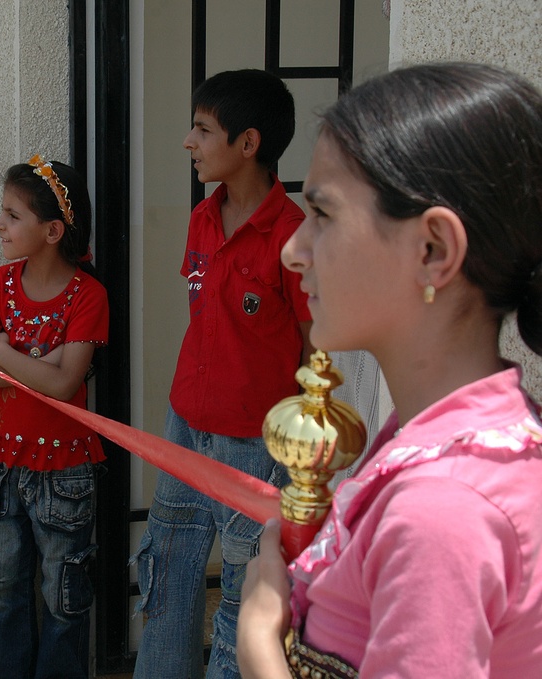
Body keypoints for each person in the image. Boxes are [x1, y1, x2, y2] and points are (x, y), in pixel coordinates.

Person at [237, 62, 542, 678]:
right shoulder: (445, 440)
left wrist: (259, 644)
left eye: (322, 216)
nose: (294, 252)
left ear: (432, 251)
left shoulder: (442, 511)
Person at [131, 69, 311, 679]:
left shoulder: (293, 239)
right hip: (185, 424)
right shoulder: (203, 220)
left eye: (203, 130)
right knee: (168, 573)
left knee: (243, 588)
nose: (189, 141)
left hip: (256, 442)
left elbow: (318, 351)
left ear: (248, 144)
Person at [0, 155, 109, 679]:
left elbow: (64, 383)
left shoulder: (88, 295)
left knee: (63, 592)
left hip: (65, 469)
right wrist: (37, 365)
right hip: (2, 463)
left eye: (11, 214)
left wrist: (4, 352)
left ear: (52, 230)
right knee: (4, 587)